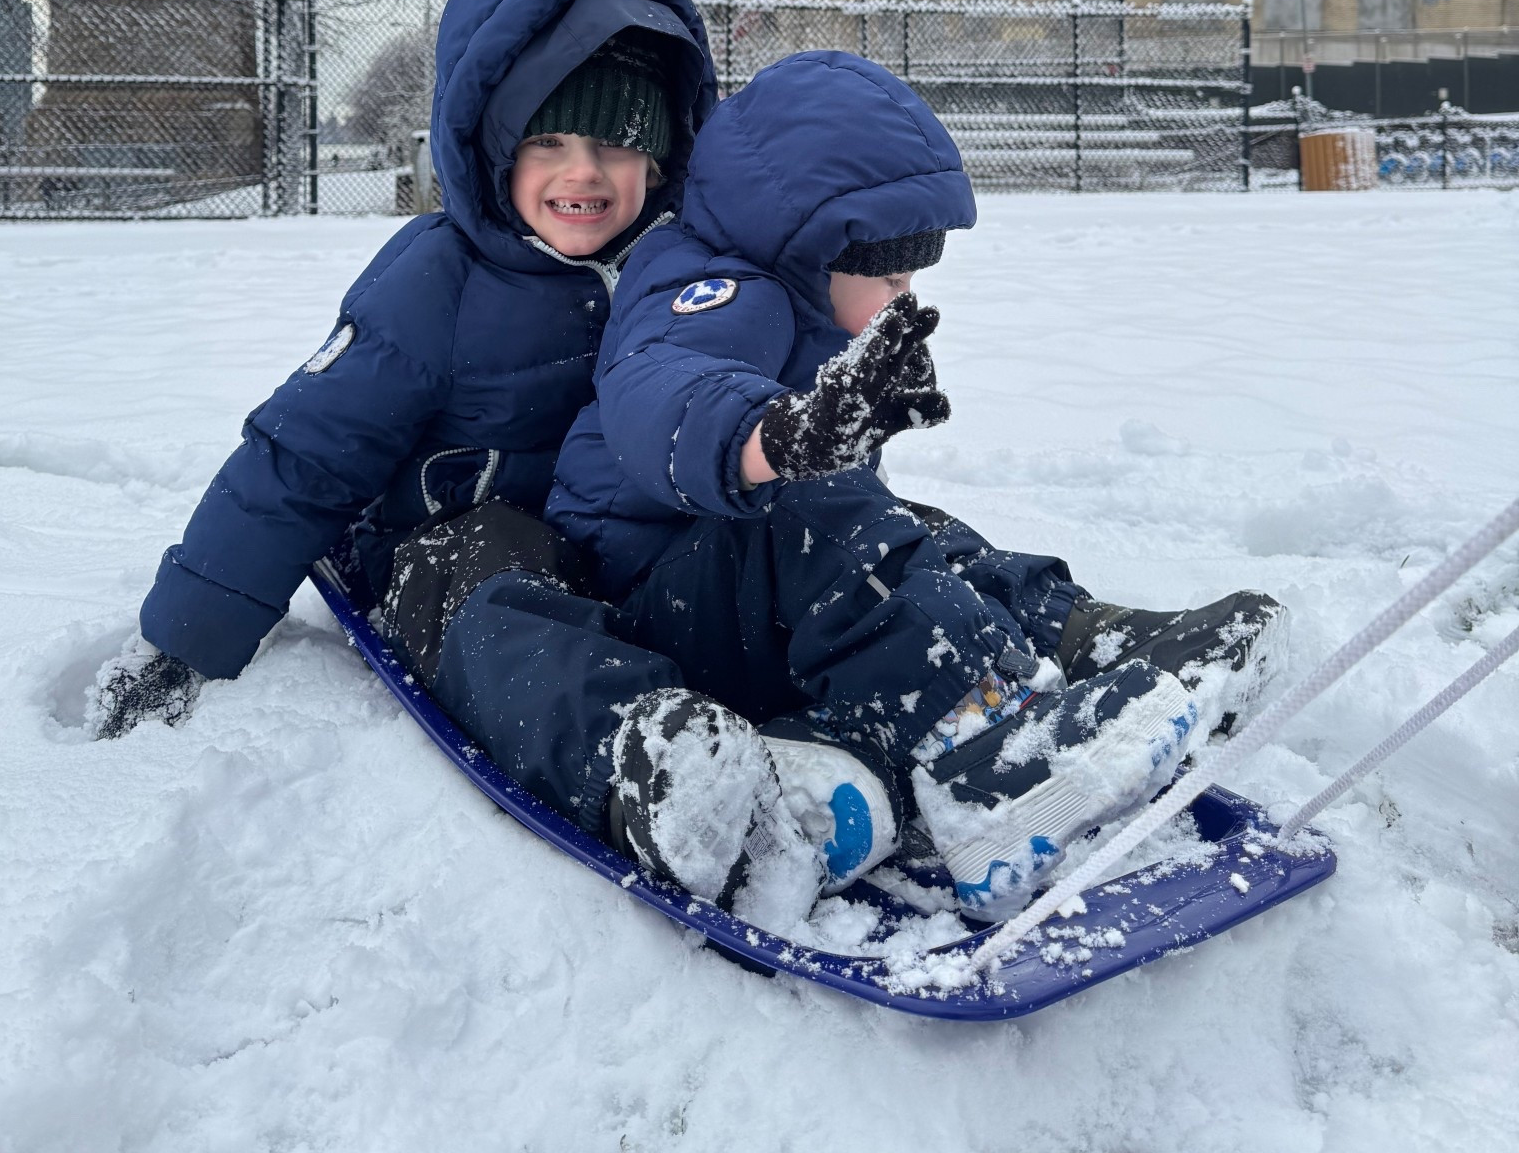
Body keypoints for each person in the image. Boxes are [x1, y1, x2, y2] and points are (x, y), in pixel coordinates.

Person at [546, 51, 1284, 923]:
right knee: (834, 519)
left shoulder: (791, 292)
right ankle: (988, 767)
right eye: (891, 277)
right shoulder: (716, 290)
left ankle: (1082, 640)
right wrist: (775, 436)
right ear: (809, 248)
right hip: (662, 595)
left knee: (914, 534)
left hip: (744, 592)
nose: (905, 297)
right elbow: (658, 391)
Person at [86, 0, 720, 846]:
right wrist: (189, 635)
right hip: (448, 558)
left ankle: (938, 677)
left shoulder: (678, 273)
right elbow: (304, 453)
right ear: (493, 147)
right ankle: (650, 768)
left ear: (658, 161)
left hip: (619, 544)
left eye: (618, 143)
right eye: (549, 138)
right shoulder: (438, 280)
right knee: (501, 579)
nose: (584, 171)